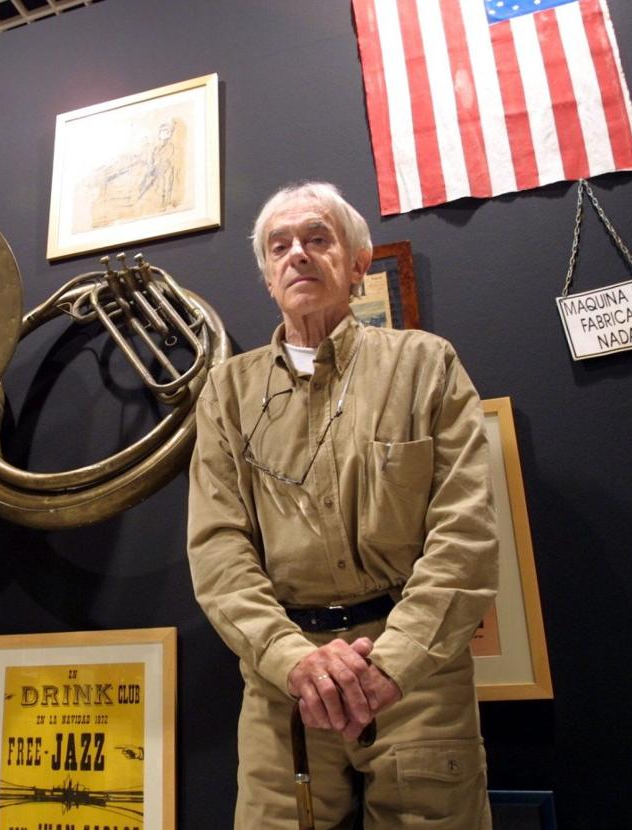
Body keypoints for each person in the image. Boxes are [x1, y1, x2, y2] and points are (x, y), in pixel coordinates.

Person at [186, 181, 498, 828]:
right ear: (268, 276)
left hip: (419, 676)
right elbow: (218, 551)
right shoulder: (226, 394)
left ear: (358, 264)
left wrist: (395, 664)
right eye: (280, 246)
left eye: (318, 239)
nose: (297, 254)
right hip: (283, 684)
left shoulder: (426, 365)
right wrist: (293, 661)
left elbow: (464, 536)